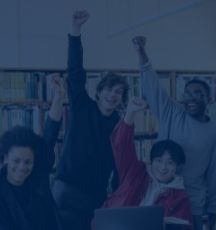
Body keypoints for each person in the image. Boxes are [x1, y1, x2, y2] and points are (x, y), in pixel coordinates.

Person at [132, 36, 216, 230]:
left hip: (193, 204)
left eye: (198, 94)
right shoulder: (172, 113)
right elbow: (152, 87)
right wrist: (141, 52)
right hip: (161, 196)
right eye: (187, 93)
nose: (191, 98)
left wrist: (214, 210)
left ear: (209, 99)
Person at [52, 10, 129, 230]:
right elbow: (75, 71)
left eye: (118, 93)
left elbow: (119, 164)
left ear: (121, 100)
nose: (112, 95)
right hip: (66, 189)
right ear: (99, 92)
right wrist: (75, 32)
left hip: (95, 196)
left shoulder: (119, 125)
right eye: (109, 90)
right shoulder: (82, 106)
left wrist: (117, 196)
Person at [0, 74, 65, 230]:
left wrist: (59, 97)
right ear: (5, 158)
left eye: (28, 162)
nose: (22, 167)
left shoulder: (38, 176)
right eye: (16, 161)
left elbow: (50, 133)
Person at [100, 97, 193, 229]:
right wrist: (130, 113)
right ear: (151, 161)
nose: (163, 168)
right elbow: (121, 146)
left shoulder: (180, 196)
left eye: (170, 163)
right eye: (159, 161)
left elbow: (185, 226)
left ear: (177, 167)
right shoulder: (135, 173)